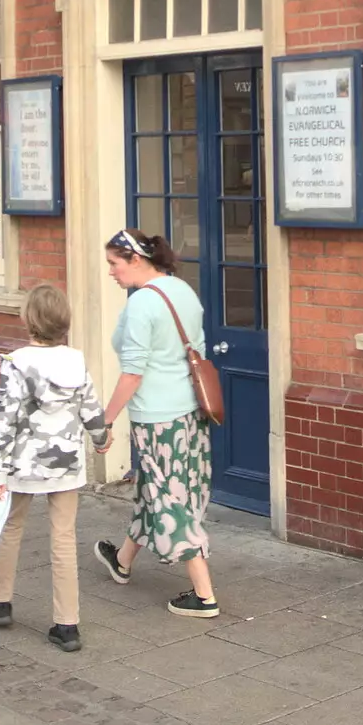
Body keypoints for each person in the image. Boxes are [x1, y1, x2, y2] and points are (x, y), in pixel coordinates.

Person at [93, 229, 219, 618]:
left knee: (169, 498)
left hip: (157, 418)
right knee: (158, 489)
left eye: (114, 264)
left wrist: (106, 420)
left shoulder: (141, 306)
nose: (111, 272)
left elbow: (132, 374)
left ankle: (204, 595)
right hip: (189, 413)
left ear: (135, 259)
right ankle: (123, 561)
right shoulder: (182, 290)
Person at [0, 282, 110, 653]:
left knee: (12, 525)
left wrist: (0, 472)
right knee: (64, 537)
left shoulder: (16, 363)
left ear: (29, 320)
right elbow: (91, 409)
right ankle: (67, 625)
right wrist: (100, 441)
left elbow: (6, 421)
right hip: (66, 462)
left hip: (24, 463)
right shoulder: (77, 360)